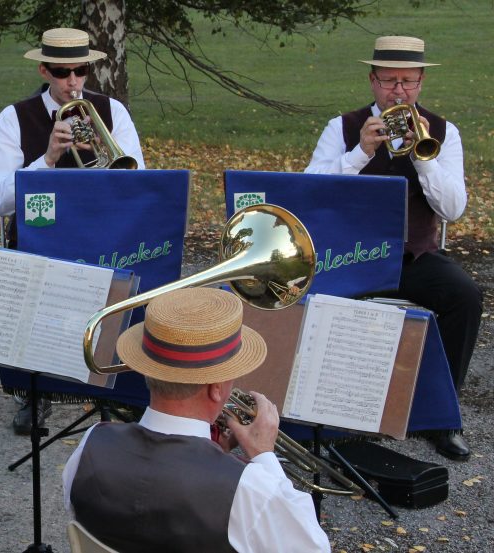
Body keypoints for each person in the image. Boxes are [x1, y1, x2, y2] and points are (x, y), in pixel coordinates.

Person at [305, 35, 482, 461]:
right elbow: (310, 192)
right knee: (302, 297)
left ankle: (441, 417)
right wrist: (360, 152)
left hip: (411, 256)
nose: (398, 91)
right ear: (372, 81)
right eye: (389, 81)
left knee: (465, 296)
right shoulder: (343, 127)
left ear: (420, 83)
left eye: (407, 81)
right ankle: (318, 414)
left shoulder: (443, 132)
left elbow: (454, 209)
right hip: (350, 256)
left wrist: (424, 157)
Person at [62, 288, 330, 552]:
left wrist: (212, 455)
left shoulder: (91, 445)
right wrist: (263, 456)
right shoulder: (250, 488)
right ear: (216, 387)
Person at [0, 27, 146, 435]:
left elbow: (140, 180)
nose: (72, 82)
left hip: (101, 232)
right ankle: (35, 392)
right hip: (44, 237)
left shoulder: (111, 112)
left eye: (80, 71)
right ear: (44, 69)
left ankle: (117, 389)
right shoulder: (14, 118)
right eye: (61, 72)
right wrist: (48, 159)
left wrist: (105, 157)